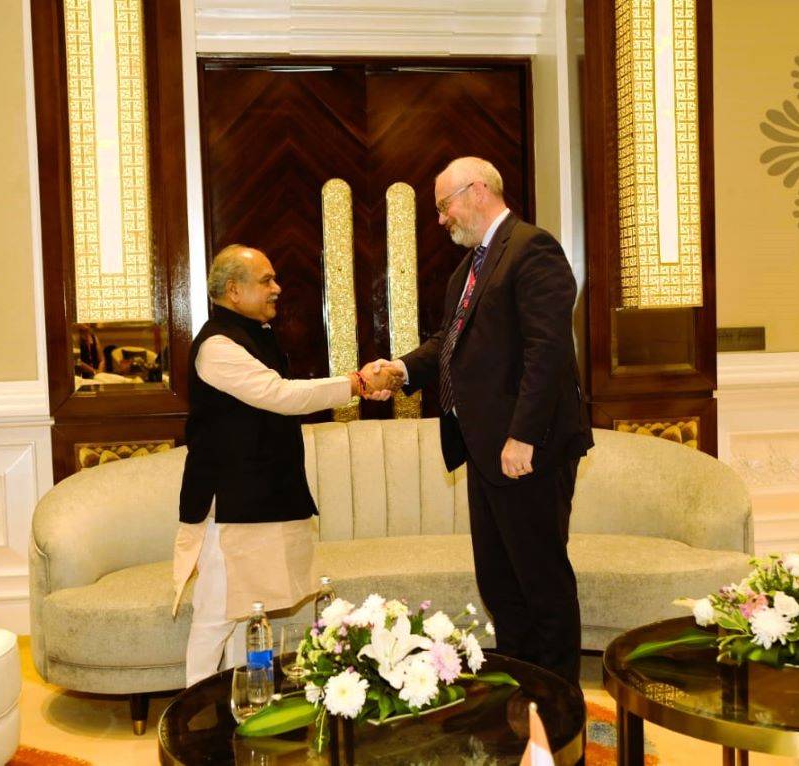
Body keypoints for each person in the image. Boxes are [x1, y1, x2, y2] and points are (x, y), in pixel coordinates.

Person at [381, 157, 592, 687]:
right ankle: (523, 687)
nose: (439, 219)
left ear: (476, 192)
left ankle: (558, 701)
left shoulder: (532, 249)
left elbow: (548, 353)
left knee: (540, 581)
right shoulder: (469, 269)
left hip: (526, 450)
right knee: (500, 582)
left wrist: (522, 436)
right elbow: (447, 346)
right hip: (483, 448)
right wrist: (400, 368)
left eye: (442, 205)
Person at [174, 244, 402, 686]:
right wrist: (355, 383)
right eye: (266, 281)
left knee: (247, 614)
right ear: (234, 290)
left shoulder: (256, 333)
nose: (277, 288)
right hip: (230, 505)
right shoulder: (218, 345)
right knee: (217, 617)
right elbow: (281, 396)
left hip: (259, 498)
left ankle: (242, 706)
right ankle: (195, 719)